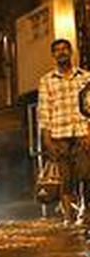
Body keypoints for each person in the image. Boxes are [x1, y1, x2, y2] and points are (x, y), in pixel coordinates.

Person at [37, 38, 90, 224]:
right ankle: (68, 217)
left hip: (81, 134)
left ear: (71, 52)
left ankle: (85, 212)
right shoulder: (47, 81)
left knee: (85, 174)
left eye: (64, 49)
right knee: (65, 180)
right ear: (53, 55)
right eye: (57, 50)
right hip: (59, 136)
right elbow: (44, 111)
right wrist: (47, 139)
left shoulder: (85, 77)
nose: (61, 53)